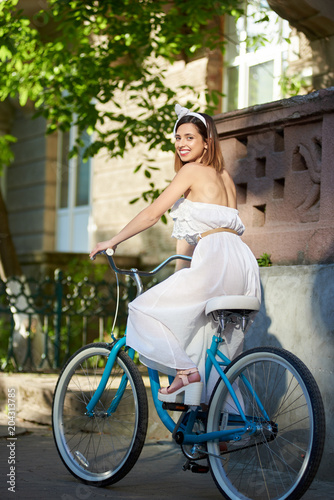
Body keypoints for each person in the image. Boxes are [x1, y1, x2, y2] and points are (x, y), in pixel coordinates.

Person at [89, 104, 261, 405]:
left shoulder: (191, 171)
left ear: (207, 142)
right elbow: (194, 237)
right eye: (178, 137)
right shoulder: (225, 177)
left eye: (190, 138)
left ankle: (184, 372)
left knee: (143, 311)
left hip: (216, 261)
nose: (182, 143)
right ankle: (217, 430)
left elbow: (153, 214)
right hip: (241, 263)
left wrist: (112, 241)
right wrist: (181, 273)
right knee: (216, 350)